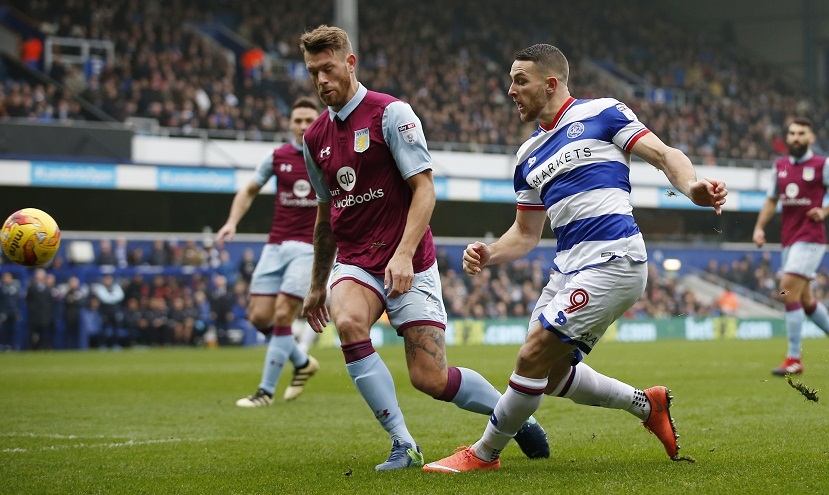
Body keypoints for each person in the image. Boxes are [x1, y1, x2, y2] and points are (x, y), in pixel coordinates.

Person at [422, 43, 727, 473]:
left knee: (531, 355)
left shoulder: (602, 112)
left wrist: (691, 186)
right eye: (510, 81)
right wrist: (489, 253)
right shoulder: (526, 156)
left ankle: (484, 454)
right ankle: (647, 405)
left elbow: (664, 155)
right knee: (549, 375)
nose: (511, 90)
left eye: (520, 80)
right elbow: (525, 234)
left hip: (613, 257)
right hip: (566, 269)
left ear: (551, 84)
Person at [299, 25, 549, 472]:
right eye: (313, 72)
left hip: (409, 259)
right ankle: (403, 444)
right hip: (355, 261)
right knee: (349, 322)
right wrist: (318, 285)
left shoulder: (391, 114)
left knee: (430, 379)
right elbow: (324, 217)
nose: (321, 80)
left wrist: (401, 254)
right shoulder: (314, 138)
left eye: (328, 68)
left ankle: (514, 418)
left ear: (350, 63)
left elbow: (425, 189)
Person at [215, 96, 323, 407]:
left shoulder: (327, 157)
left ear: (318, 122)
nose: (303, 126)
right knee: (259, 316)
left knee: (282, 314)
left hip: (309, 248)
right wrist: (231, 222)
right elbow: (249, 189)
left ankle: (265, 392)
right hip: (275, 246)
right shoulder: (277, 157)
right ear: (289, 123)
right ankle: (302, 361)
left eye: (309, 120)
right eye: (298, 120)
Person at [753, 117, 829, 376]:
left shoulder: (822, 165)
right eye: (793, 133)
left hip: (811, 238)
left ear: (811, 138)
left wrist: (824, 210)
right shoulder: (780, 166)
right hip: (789, 240)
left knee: (787, 290)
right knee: (806, 301)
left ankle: (794, 358)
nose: (796, 138)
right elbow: (771, 200)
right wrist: (759, 227)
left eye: (801, 133)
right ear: (787, 137)